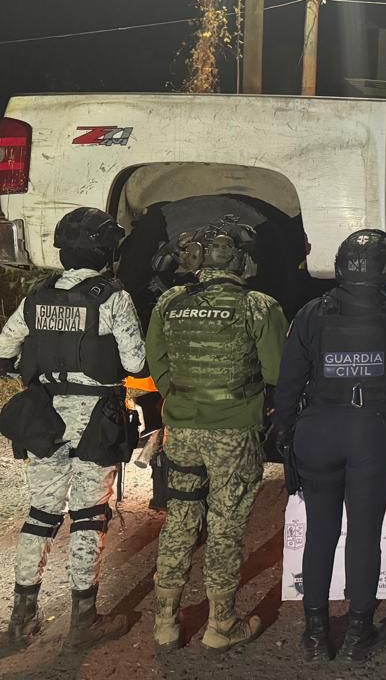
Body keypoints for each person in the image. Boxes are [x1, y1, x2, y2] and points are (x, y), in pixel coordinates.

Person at [0, 207, 144, 650]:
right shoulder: (112, 297)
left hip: (45, 416)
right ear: (106, 252)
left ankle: (21, 620)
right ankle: (83, 621)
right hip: (95, 420)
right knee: (89, 514)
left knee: (41, 513)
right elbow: (136, 363)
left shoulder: (37, 296)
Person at [273, 229, 386, 663]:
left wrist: (285, 431)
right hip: (372, 428)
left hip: (319, 428)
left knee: (319, 532)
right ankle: (358, 634)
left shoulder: (313, 312)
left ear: (339, 266)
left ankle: (315, 635)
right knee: (365, 534)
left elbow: (289, 381)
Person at [145, 218, 286, 654]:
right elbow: (276, 371)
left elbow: (157, 363)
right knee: (226, 525)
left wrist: (182, 400)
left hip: (183, 430)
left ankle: (165, 622)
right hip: (233, 432)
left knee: (180, 517)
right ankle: (221, 624)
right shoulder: (258, 306)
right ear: (238, 259)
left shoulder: (169, 302)